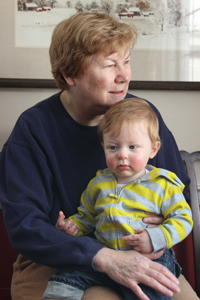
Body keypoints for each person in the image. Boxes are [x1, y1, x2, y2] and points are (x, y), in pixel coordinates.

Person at [0, 11, 198, 300]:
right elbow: (25, 227)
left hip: (138, 251)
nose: (125, 75)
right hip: (57, 261)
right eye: (109, 65)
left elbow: (177, 186)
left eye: (126, 61)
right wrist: (102, 256)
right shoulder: (33, 129)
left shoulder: (143, 115)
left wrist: (161, 224)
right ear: (69, 74)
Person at [42, 98, 193, 300]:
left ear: (154, 149)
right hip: (104, 256)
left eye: (132, 147)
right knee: (64, 278)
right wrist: (72, 227)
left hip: (151, 258)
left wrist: (154, 238)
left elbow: (183, 218)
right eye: (113, 147)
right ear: (103, 146)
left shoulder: (163, 184)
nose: (122, 155)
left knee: (148, 292)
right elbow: (86, 217)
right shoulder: (98, 184)